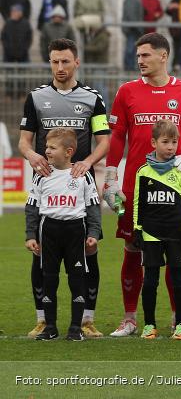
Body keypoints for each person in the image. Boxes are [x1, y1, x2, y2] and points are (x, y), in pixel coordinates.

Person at [102, 32, 181, 338]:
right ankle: (130, 319)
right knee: (132, 248)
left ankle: (179, 320)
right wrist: (110, 177)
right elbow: (117, 136)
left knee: (176, 251)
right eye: (138, 55)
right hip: (135, 188)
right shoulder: (127, 91)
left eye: (145, 55)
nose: (140, 60)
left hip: (173, 187)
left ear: (163, 56)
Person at [18, 38, 109, 338]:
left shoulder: (93, 98)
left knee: (88, 252)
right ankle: (43, 319)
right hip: (47, 182)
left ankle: (87, 320)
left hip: (79, 186)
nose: (60, 67)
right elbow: (24, 141)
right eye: (55, 61)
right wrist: (32, 156)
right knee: (41, 256)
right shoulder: (36, 97)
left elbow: (104, 141)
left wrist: (88, 162)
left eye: (65, 61)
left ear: (76, 62)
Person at [24, 128, 101, 341]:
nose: (46, 151)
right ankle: (50, 327)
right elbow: (32, 207)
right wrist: (31, 235)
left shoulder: (82, 175)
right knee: (49, 279)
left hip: (75, 231)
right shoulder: (41, 175)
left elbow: (93, 206)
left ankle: (76, 328)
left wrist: (93, 232)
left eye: (52, 147)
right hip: (49, 231)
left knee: (77, 280)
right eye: (46, 146)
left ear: (69, 152)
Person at [133, 120, 181, 341]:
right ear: (154, 143)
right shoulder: (143, 172)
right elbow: (138, 202)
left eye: (174, 142)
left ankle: (180, 325)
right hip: (151, 233)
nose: (171, 147)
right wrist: (137, 229)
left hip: (177, 234)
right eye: (165, 142)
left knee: (179, 281)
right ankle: (149, 325)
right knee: (150, 281)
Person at [122, 0, 143, 71]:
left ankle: (130, 67)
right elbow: (131, 12)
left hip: (133, 26)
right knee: (130, 49)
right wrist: (136, 26)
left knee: (132, 48)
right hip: (132, 27)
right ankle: (129, 68)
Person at [166, 0, 181, 71]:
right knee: (176, 47)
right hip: (175, 30)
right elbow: (167, 11)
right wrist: (170, 7)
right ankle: (175, 65)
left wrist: (179, 7)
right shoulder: (173, 1)